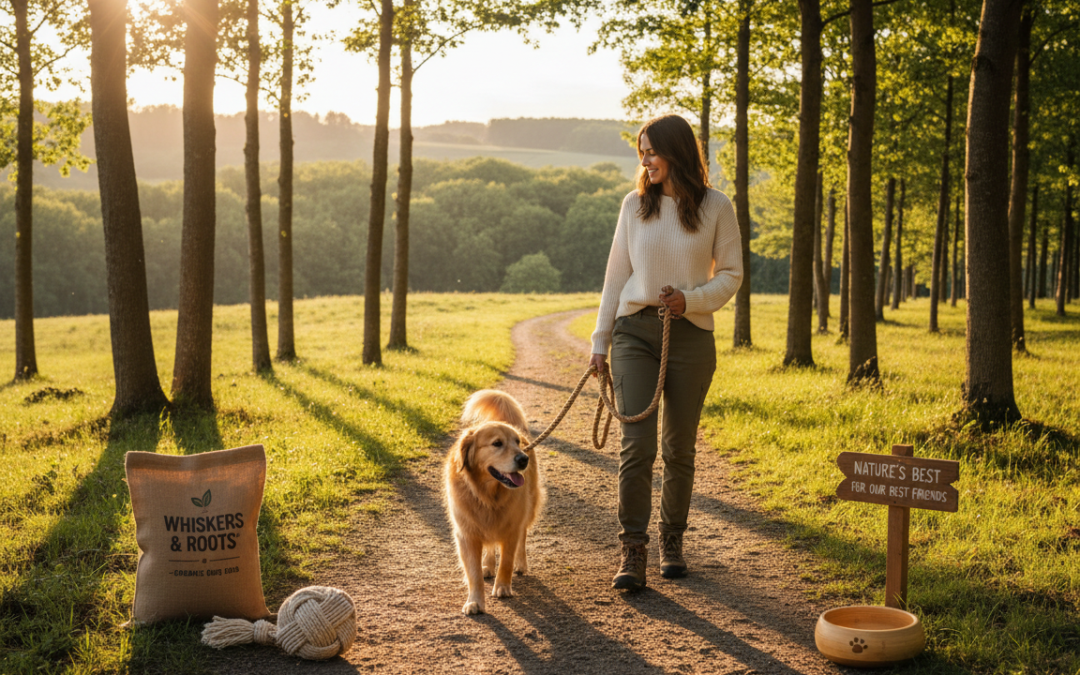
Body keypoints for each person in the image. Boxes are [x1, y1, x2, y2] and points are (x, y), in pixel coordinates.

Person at [589, 113, 743, 591]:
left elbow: (732, 274)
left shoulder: (717, 207)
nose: (645, 159)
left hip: (691, 335)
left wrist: (690, 300)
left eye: (652, 150)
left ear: (677, 152)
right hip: (634, 332)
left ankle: (671, 541)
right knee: (637, 445)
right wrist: (599, 342)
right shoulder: (634, 206)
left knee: (679, 449)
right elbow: (616, 277)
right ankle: (632, 547)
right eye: (641, 151)